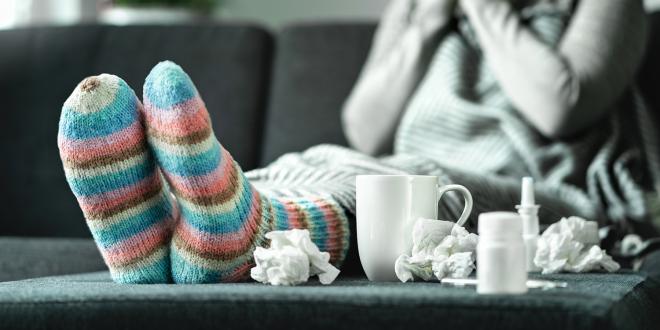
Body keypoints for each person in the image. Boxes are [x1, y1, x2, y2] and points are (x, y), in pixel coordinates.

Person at [57, 0, 657, 284]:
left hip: (533, 195)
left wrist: (485, 10)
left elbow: (559, 105)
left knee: (397, 184)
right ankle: (169, 239)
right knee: (308, 159)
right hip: (398, 163)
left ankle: (240, 235)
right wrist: (421, 27)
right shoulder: (419, 8)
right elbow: (363, 126)